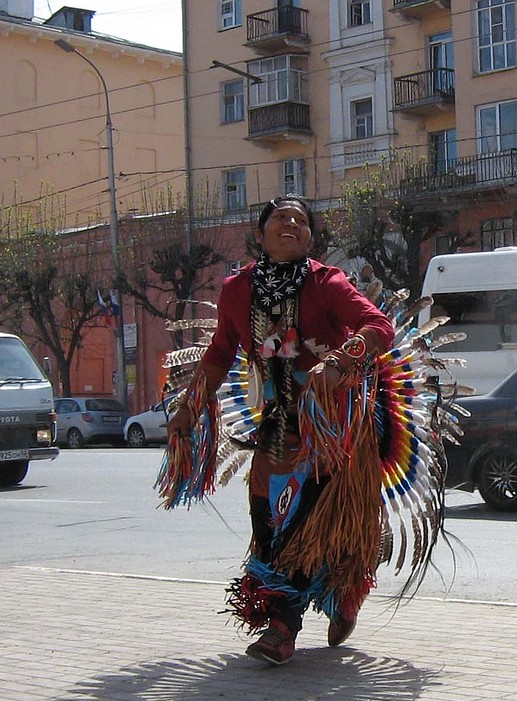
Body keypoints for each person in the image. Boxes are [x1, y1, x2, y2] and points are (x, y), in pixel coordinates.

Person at [165, 195, 396, 666]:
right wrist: (191, 405)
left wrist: (339, 361)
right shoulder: (237, 291)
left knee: (309, 517)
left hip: (334, 425)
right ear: (261, 231)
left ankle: (299, 618)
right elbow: (219, 354)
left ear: (310, 236)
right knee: (266, 514)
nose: (289, 224)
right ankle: (314, 603)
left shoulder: (326, 282)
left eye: (300, 220)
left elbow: (378, 326)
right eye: (279, 217)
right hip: (277, 420)